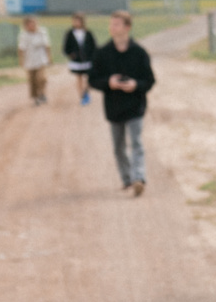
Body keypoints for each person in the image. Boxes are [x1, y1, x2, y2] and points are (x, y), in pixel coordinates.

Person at [88, 10, 156, 197]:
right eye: (111, 24)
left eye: (116, 24)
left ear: (127, 27)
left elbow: (150, 80)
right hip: (114, 106)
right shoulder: (102, 53)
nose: (112, 27)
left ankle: (139, 178)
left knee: (136, 142)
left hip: (135, 105)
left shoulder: (139, 53)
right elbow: (92, 80)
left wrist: (135, 85)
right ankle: (127, 179)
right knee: (118, 147)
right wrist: (108, 83)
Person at [62, 12, 97, 106]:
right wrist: (70, 54)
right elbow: (66, 47)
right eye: (75, 21)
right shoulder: (70, 33)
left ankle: (86, 92)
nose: (76, 23)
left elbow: (94, 46)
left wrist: (94, 56)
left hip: (87, 59)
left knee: (89, 79)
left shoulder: (88, 32)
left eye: (79, 21)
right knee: (79, 78)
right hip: (76, 60)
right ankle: (82, 96)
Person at [17, 15, 52, 106]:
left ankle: (42, 93)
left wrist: (49, 57)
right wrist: (21, 60)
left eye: (33, 23)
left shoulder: (42, 32)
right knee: (32, 81)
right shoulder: (24, 35)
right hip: (30, 61)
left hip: (41, 60)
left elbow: (47, 45)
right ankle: (35, 98)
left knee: (41, 78)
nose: (32, 25)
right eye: (29, 23)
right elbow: (21, 48)